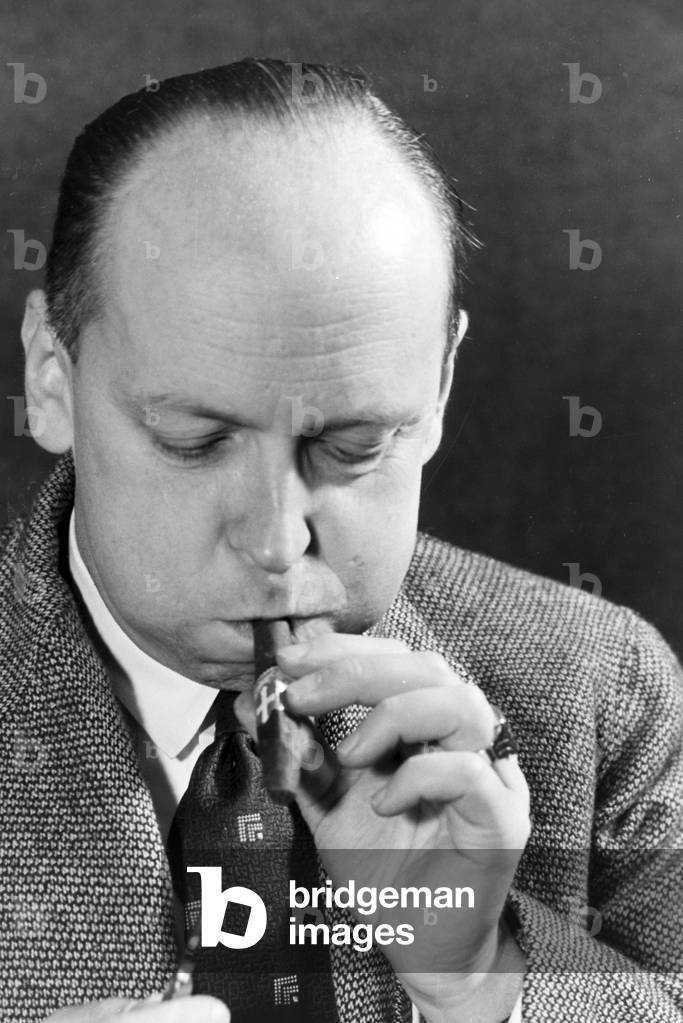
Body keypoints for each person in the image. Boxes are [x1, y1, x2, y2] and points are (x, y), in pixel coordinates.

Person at [2, 58, 682, 1023]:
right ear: (51, 378)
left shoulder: (608, 696)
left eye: (353, 447)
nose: (278, 543)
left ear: (440, 386)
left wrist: (483, 976)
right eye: (194, 441)